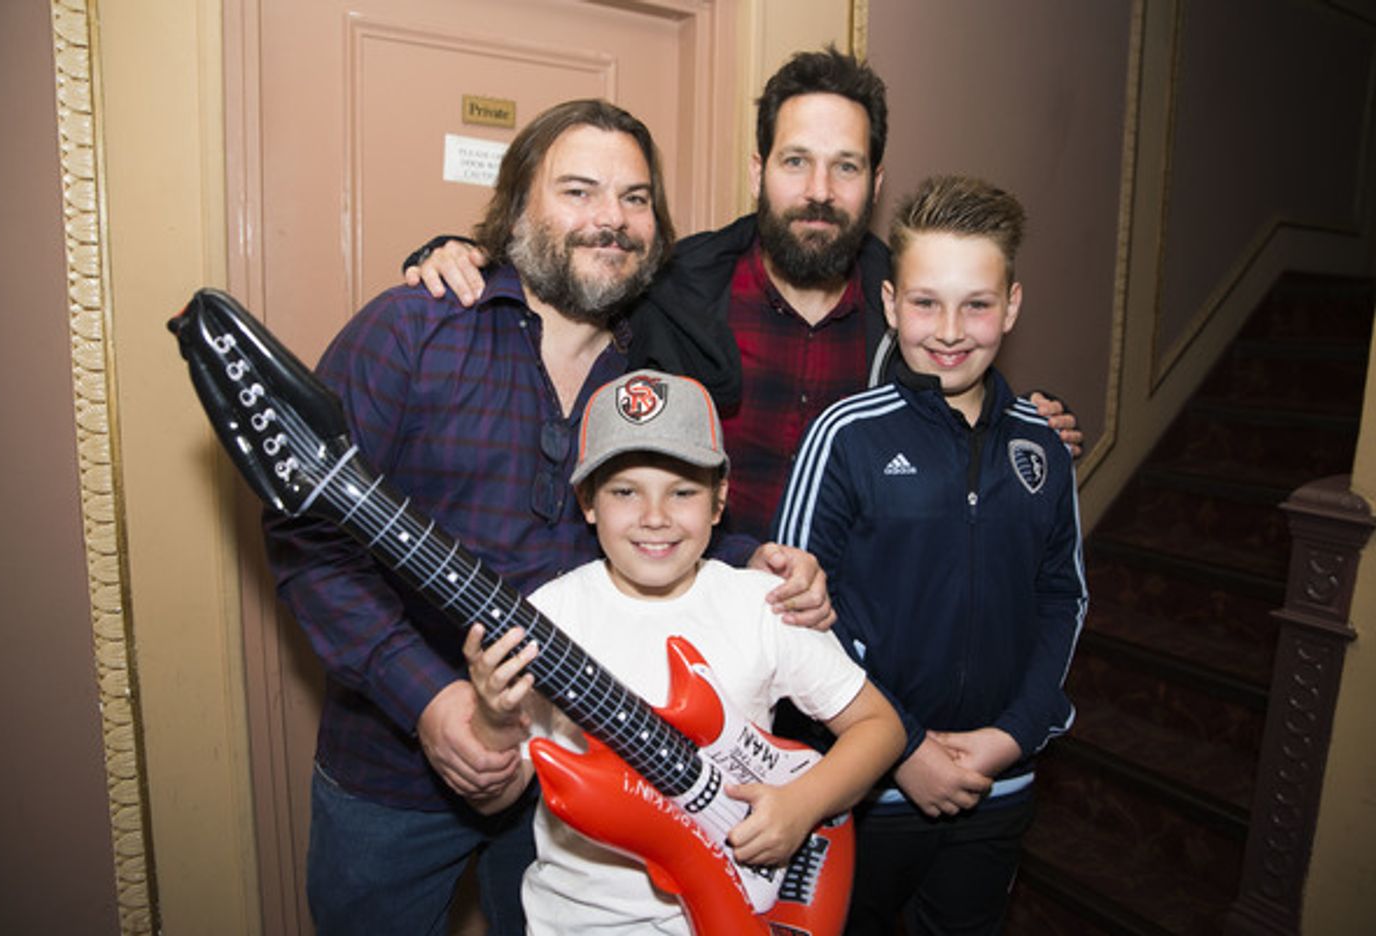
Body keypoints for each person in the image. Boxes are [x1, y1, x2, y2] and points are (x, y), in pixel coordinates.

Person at [262, 98, 832, 936]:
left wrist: (760, 561)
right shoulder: (413, 328)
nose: (612, 219)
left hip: (580, 785)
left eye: (636, 197)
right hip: (391, 775)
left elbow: (657, 528)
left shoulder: (654, 368)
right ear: (516, 205)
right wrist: (430, 704)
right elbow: (309, 537)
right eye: (578, 190)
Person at [404, 47, 1083, 539]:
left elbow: (966, 394)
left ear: (876, 184)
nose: (819, 191)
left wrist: (1021, 421)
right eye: (796, 162)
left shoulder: (912, 311)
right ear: (758, 171)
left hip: (858, 650)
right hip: (698, 641)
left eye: (845, 167)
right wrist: (460, 254)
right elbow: (570, 269)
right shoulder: (671, 285)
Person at [461, 368, 907, 934]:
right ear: (587, 501)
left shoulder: (760, 605)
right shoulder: (547, 619)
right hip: (579, 922)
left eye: (683, 492)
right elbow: (493, 803)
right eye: (625, 491)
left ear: (720, 500)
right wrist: (495, 721)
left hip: (749, 909)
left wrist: (803, 805)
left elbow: (881, 726)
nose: (655, 517)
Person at [772, 175, 1088, 934]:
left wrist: (1012, 736)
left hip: (995, 788)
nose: (950, 329)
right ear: (889, 305)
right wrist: (902, 745)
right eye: (925, 302)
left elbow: (1062, 600)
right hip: (862, 792)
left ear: (1011, 305)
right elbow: (793, 617)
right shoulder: (846, 436)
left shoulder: (1041, 445)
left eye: (977, 304)